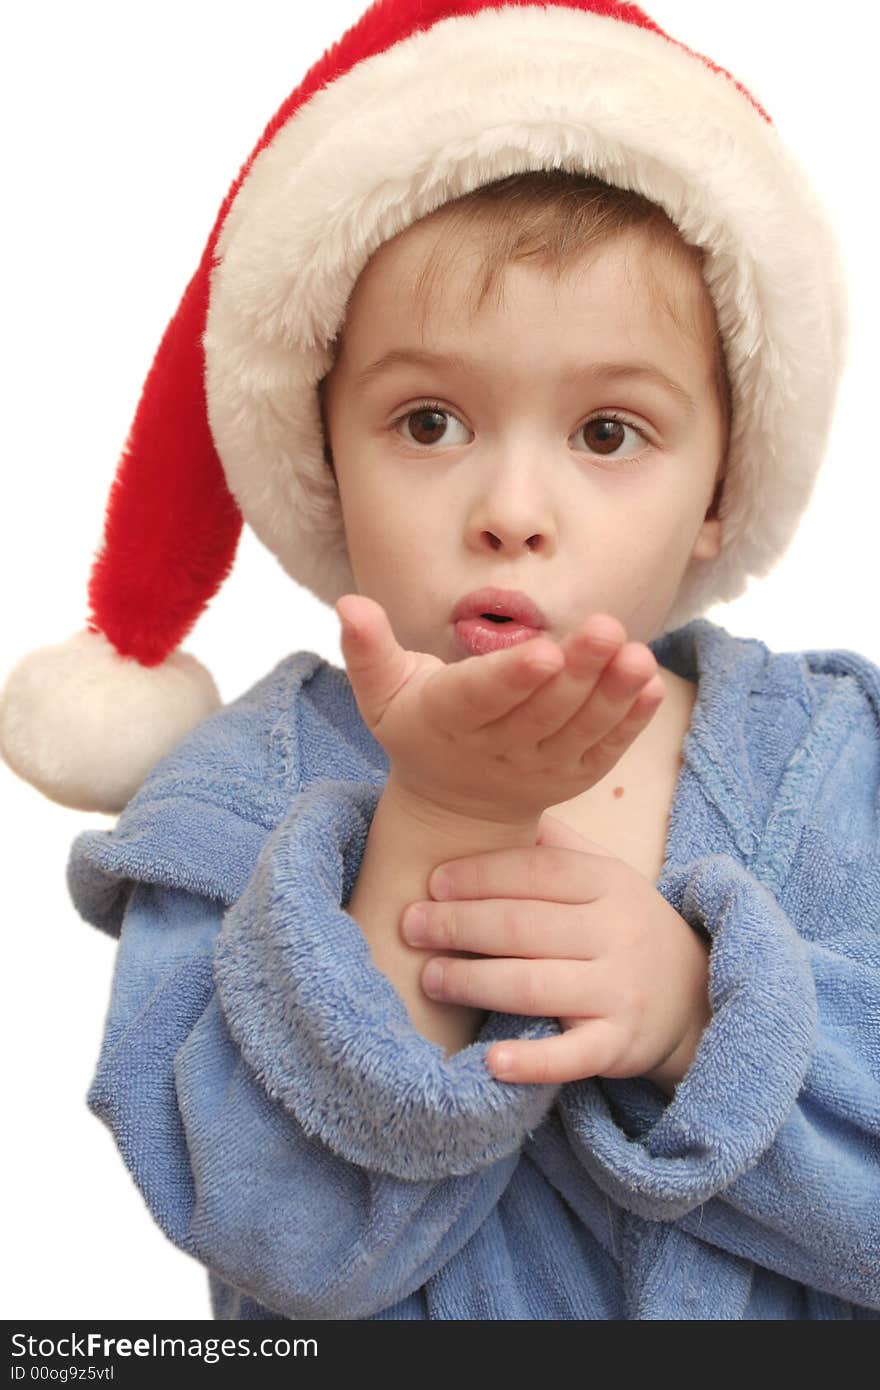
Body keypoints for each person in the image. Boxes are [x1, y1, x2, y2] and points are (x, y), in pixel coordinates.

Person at [1, 0, 878, 1320]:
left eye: (606, 431)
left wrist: (710, 1016)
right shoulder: (228, 800)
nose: (511, 506)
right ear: (324, 456)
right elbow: (268, 1235)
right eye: (429, 419)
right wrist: (440, 821)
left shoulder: (843, 761)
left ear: (720, 481)